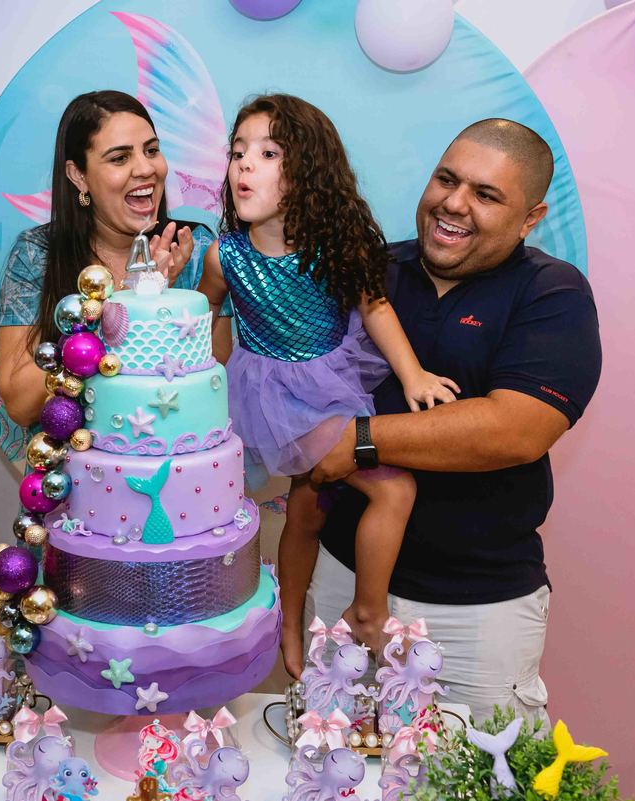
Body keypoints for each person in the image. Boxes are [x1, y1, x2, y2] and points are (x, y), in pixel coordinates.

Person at [308, 119, 602, 723]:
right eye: (446, 179)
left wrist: (359, 441)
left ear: (531, 218)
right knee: (327, 766)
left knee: (476, 778)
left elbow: (515, 428)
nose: (454, 203)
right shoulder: (371, 270)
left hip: (477, 611)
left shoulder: (551, 294)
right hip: (343, 576)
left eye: (486, 195)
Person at [196, 94, 459, 679]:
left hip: (330, 380)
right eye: (238, 152)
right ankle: (365, 614)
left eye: (267, 153)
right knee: (392, 490)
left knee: (309, 511)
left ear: (308, 173)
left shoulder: (335, 248)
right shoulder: (226, 257)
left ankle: (298, 620)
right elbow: (210, 311)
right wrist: (214, 378)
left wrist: (413, 376)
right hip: (271, 397)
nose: (244, 165)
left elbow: (377, 307)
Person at [0, 90, 231, 427]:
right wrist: (126, 300)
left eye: (151, 150)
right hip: (76, 473)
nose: (146, 168)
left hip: (177, 465)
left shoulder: (192, 247)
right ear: (79, 176)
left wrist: (167, 299)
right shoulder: (37, 255)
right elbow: (19, 405)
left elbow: (214, 373)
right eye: (120, 158)